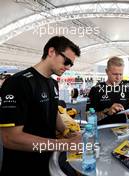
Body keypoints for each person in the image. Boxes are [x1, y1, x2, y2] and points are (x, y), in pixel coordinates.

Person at [0, 36, 81, 175]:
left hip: (46, 162)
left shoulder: (53, 83)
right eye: (66, 61)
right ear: (51, 52)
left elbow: (52, 112)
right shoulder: (18, 83)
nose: (68, 67)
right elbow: (9, 138)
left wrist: (66, 131)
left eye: (71, 64)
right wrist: (64, 144)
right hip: (22, 166)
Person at [88, 56, 129, 125]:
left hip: (121, 132)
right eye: (115, 74)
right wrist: (107, 112)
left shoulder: (127, 90)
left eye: (121, 74)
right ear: (107, 72)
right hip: (101, 131)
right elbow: (88, 117)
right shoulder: (96, 89)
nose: (118, 78)